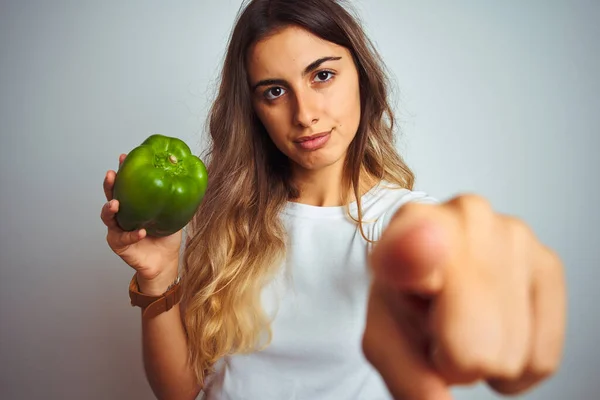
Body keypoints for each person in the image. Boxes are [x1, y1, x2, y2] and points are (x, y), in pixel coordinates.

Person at [100, 1, 566, 399]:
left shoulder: (400, 224)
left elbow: (438, 242)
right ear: (254, 110)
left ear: (361, 76)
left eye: (322, 75)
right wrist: (158, 275)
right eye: (275, 91)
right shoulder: (229, 220)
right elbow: (181, 391)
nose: (304, 114)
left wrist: (482, 264)